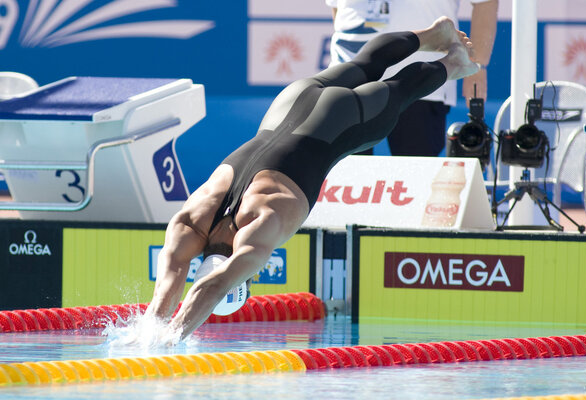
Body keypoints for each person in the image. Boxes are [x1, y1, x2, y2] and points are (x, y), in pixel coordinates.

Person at [145, 17, 479, 342]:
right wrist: (149, 332)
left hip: (342, 122)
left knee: (400, 90)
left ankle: (453, 62)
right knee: (364, 63)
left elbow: (213, 285)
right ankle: (431, 34)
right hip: (291, 101)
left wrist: (172, 341)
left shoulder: (260, 227)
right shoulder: (188, 221)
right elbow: (171, 283)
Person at [327, 0, 498, 156]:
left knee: (416, 178)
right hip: (349, 79)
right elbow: (337, 7)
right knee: (345, 178)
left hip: (422, 80)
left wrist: (478, 66)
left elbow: (484, 2)